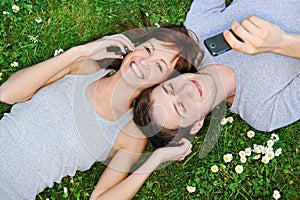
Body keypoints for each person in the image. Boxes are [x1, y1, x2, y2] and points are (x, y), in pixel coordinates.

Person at [0, 25, 202, 199]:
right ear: (135, 46)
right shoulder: (83, 67)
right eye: (148, 49)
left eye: (159, 66)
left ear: (161, 84)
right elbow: (7, 93)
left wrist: (156, 159)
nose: (144, 62)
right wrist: (78, 52)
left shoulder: (130, 133)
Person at [132, 0, 300, 148]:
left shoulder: (197, 33)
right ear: (197, 124)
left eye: (170, 88)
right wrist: (281, 43)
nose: (186, 90)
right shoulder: (263, 113)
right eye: (182, 107)